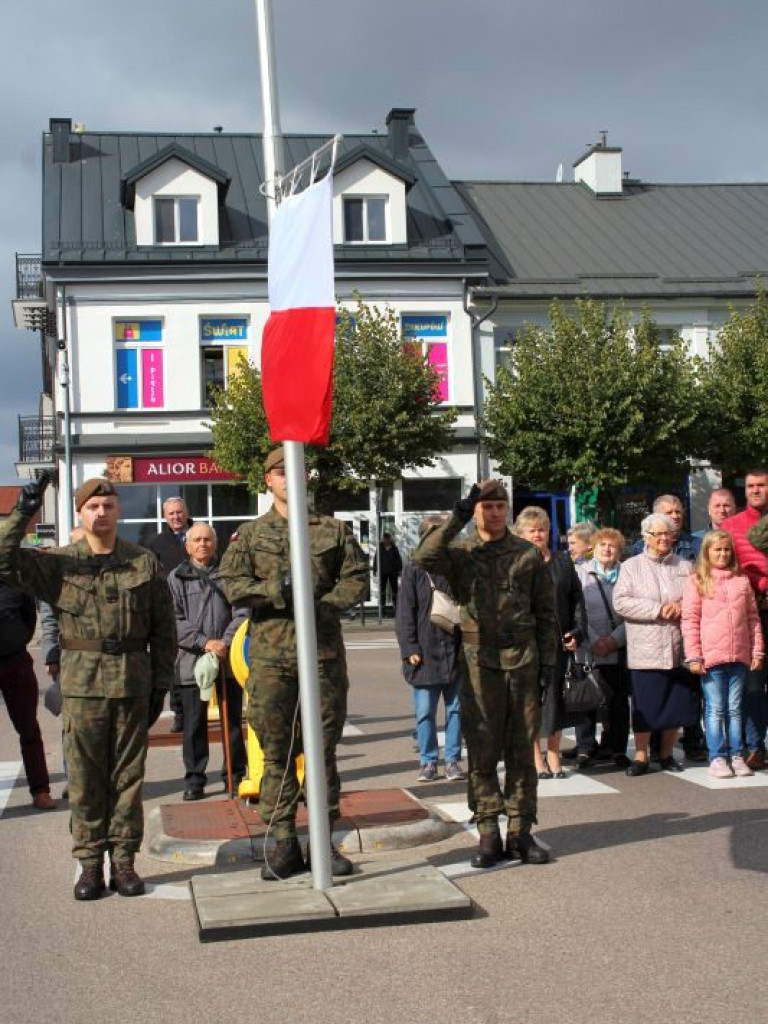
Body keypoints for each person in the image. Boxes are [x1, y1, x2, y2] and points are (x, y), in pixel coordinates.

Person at [0, 476, 176, 900]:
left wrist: (159, 686)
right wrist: (24, 508)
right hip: (81, 687)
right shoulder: (58, 563)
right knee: (83, 781)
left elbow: (164, 630)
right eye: (93, 507)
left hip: (133, 684)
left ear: (119, 511)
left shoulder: (142, 562)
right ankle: (91, 865)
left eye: (109, 505)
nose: (101, 513)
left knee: (128, 780)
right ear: (80, 512)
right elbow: (5, 561)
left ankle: (125, 863)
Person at [219, 447, 369, 880]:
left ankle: (324, 841)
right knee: (276, 753)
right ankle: (282, 841)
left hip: (321, 655)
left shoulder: (332, 530)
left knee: (322, 751)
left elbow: (357, 577)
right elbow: (232, 584)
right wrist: (277, 591)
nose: (290, 477)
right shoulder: (251, 535)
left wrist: (324, 605)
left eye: (298, 470)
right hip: (271, 658)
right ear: (268, 479)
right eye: (281, 471)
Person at [413, 481, 557, 869]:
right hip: (478, 660)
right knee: (482, 747)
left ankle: (520, 831)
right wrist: (456, 517)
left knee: (522, 749)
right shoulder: (461, 553)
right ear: (475, 511)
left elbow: (545, 612)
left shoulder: (527, 553)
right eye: (486, 506)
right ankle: (489, 831)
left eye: (499, 506)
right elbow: (423, 556)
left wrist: (548, 664)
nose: (494, 512)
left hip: (523, 657)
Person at [168, 523, 248, 801]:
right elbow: (174, 619)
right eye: (197, 540)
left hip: (227, 660)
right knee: (194, 724)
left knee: (233, 722)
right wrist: (204, 642)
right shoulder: (176, 578)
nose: (203, 544)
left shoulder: (230, 574)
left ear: (216, 543)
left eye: (208, 540)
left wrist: (224, 642)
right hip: (192, 661)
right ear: (187, 545)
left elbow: (242, 612)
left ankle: (235, 775)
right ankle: (195, 779)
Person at [613, 512, 698, 776]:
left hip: (678, 646)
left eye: (668, 533)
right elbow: (622, 602)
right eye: (657, 534)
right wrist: (658, 609)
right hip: (646, 648)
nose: (663, 538)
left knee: (675, 702)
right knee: (645, 704)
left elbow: (698, 598)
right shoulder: (631, 566)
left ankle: (666, 754)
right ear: (646, 537)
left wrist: (681, 606)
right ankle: (640, 757)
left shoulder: (685, 566)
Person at [682, 530, 764, 778]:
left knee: (736, 708)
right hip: (711, 658)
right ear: (707, 552)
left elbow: (753, 620)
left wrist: (757, 651)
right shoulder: (697, 581)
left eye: (727, 549)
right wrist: (694, 655)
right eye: (717, 549)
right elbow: (690, 620)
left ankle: (737, 754)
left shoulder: (741, 582)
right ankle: (717, 756)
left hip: (739, 656)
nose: (722, 553)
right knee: (716, 708)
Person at [512, 506, 587, 779]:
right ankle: (535, 756)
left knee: (555, 700)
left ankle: (554, 754)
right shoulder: (514, 564)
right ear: (520, 534)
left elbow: (577, 599)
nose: (537, 534)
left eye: (541, 529)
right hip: (525, 646)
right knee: (530, 701)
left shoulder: (562, 562)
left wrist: (577, 631)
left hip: (557, 643)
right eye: (531, 530)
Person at [395, 516, 464, 783]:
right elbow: (405, 613)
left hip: (455, 649)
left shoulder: (456, 566)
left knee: (456, 709)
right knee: (425, 712)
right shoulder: (414, 568)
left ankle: (454, 760)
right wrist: (410, 647)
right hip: (424, 651)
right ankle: (428, 761)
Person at [721, 468, 768, 770]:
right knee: (752, 684)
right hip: (750, 613)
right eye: (750, 486)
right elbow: (724, 566)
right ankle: (755, 746)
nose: (755, 490)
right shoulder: (732, 526)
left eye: (761, 485)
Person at [574, 527, 631, 769]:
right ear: (593, 549)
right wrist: (594, 639)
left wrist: (614, 640)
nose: (607, 549)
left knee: (617, 701)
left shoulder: (628, 573)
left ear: (619, 551)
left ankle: (616, 747)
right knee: (586, 699)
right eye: (602, 545)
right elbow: (576, 611)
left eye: (613, 546)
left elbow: (632, 611)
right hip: (589, 646)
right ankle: (585, 747)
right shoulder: (580, 573)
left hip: (619, 647)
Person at [39, 526, 87, 800]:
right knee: (70, 724)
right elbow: (47, 620)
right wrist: (50, 655)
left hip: (103, 662)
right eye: (77, 543)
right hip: (68, 658)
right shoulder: (56, 576)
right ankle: (73, 780)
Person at [0, 578, 55, 811]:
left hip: (15, 662)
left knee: (29, 729)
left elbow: (29, 621)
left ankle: (40, 790)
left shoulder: (15, 583)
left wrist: (15, 642)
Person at [147, 497, 193, 733]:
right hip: (172, 609)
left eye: (179, 512)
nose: (176, 517)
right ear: (165, 517)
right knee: (176, 664)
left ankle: (202, 711)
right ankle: (180, 713)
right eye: (171, 514)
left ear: (186, 513)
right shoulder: (156, 543)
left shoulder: (201, 534)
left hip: (200, 605)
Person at [691, 488, 737, 557]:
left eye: (726, 506)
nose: (722, 510)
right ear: (709, 510)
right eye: (717, 506)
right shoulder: (695, 540)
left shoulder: (744, 538)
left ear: (734, 509)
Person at [373, 532, 403, 611]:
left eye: (388, 539)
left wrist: (400, 569)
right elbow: (376, 559)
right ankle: (382, 606)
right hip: (383, 572)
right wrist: (375, 569)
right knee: (382, 589)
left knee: (394, 589)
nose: (387, 541)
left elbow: (398, 559)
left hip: (393, 572)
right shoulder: (380, 548)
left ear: (390, 539)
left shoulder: (394, 548)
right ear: (383, 540)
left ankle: (396, 605)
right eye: (385, 539)